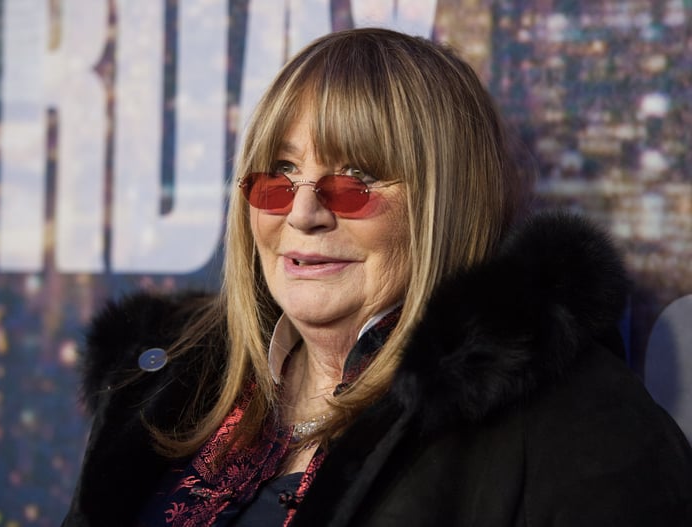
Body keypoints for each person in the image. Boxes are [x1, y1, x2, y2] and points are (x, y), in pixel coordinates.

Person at [61, 28, 692, 526]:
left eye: (355, 182)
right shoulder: (164, 387)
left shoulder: (573, 422)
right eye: (279, 176)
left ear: (445, 204)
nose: (303, 213)